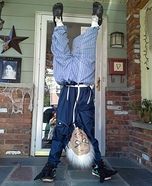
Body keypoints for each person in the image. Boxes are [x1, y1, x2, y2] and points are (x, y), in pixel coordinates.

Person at [34, 1, 117, 183]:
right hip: (83, 85)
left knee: (60, 51)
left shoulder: (66, 137)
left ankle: (59, 23)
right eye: (83, 143)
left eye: (77, 143)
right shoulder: (85, 133)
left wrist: (51, 166)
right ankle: (96, 23)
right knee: (83, 46)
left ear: (71, 146)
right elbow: (90, 138)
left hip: (66, 85)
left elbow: (60, 140)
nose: (80, 139)